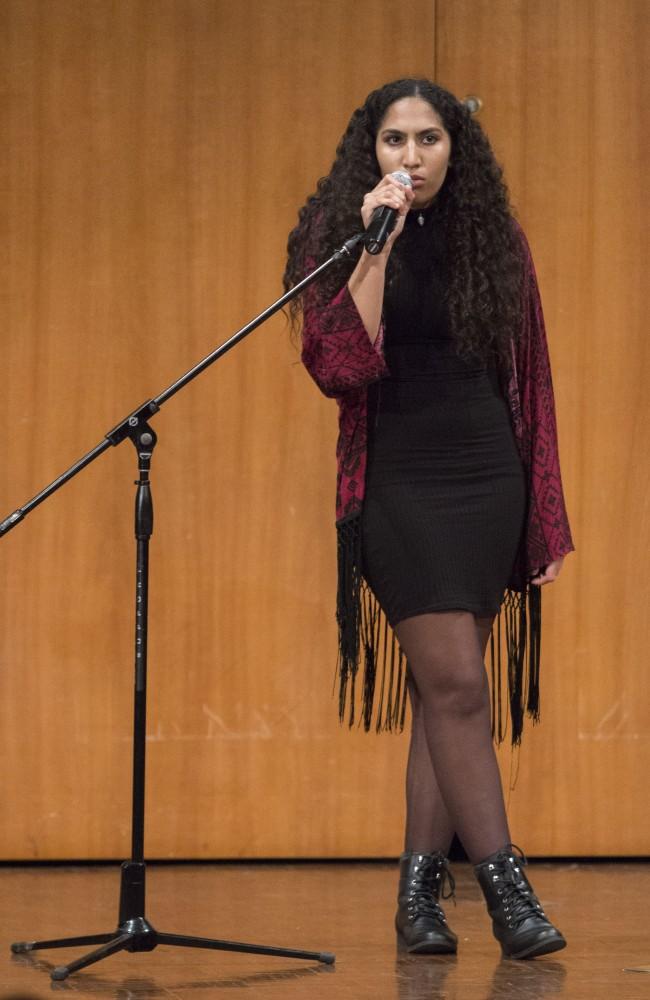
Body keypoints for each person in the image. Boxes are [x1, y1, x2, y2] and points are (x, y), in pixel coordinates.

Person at [283, 79, 573, 959]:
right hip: (398, 475)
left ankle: (418, 901)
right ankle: (507, 892)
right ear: (368, 151)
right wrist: (373, 247)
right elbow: (340, 366)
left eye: (430, 139)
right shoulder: (335, 233)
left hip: (485, 471)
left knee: (443, 697)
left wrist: (545, 513)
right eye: (394, 140)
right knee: (457, 688)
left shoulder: (496, 238)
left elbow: (531, 380)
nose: (411, 157)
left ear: (457, 149)